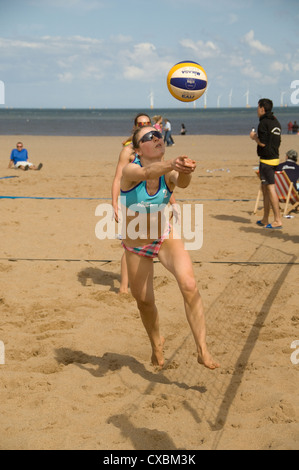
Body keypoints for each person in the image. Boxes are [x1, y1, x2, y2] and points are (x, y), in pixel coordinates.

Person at [120, 125, 219, 370]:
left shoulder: (168, 173)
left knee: (189, 285)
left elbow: (181, 183)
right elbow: (147, 172)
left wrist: (186, 170)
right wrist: (174, 164)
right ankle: (156, 345)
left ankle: (202, 350)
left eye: (158, 135)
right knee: (144, 301)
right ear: (137, 149)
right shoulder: (130, 170)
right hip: (137, 243)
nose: (156, 138)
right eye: (148, 137)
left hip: (165, 236)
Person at [112, 113, 177, 293]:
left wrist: (174, 202)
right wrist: (114, 202)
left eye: (147, 123)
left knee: (150, 240)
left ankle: (140, 284)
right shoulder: (128, 151)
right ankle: (123, 287)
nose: (145, 125)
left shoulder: (154, 148)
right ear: (134, 127)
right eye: (141, 123)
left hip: (152, 201)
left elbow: (163, 177)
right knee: (129, 245)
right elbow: (118, 178)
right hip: (132, 201)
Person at [250, 98, 282, 229]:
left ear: (262, 109)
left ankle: (278, 220)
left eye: (258, 107)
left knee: (270, 188)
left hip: (267, 161)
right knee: (265, 189)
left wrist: (254, 137)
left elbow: (262, 142)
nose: (257, 110)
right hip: (275, 158)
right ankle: (265, 218)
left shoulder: (263, 123)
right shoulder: (276, 121)